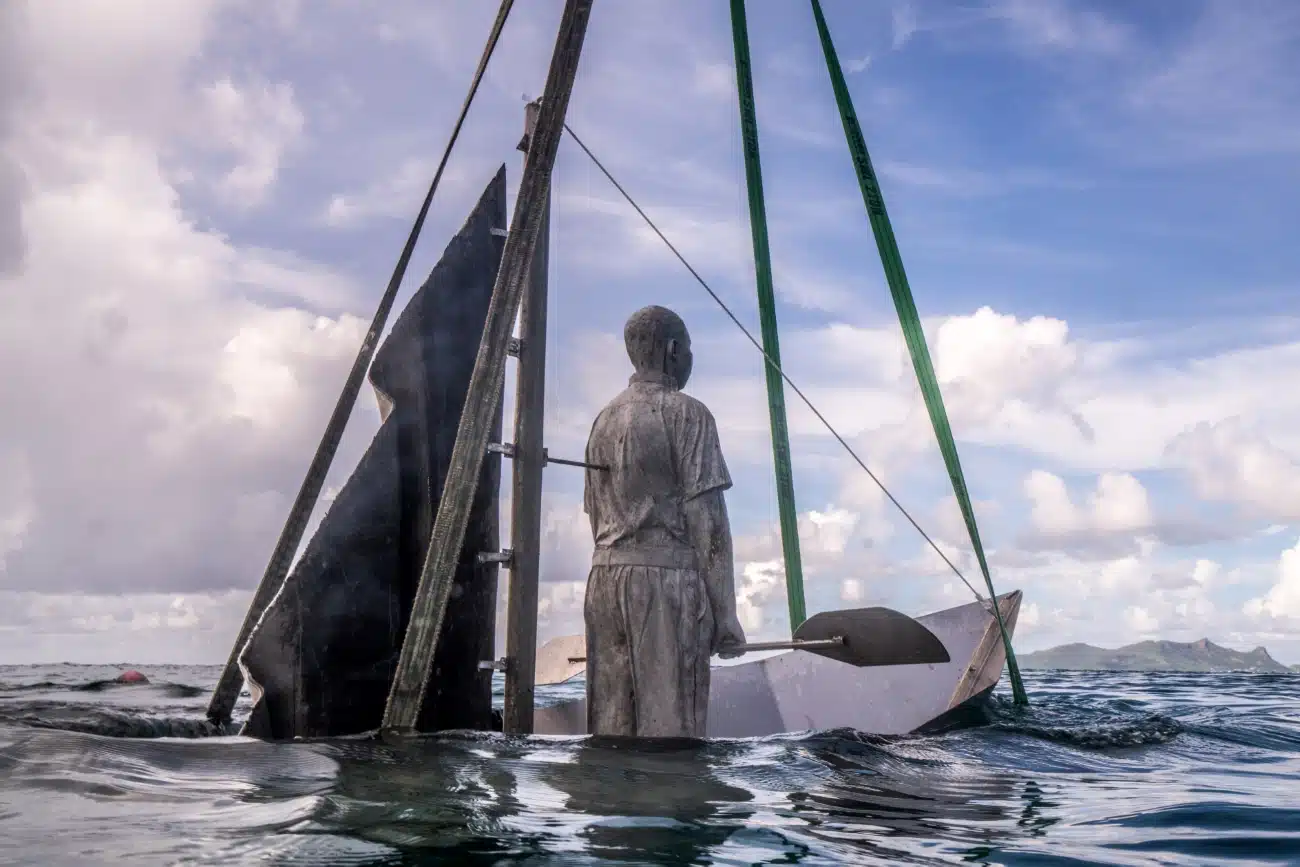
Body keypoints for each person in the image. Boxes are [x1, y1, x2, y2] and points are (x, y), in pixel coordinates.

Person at [582, 305, 747, 738]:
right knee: (672, 729)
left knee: (610, 732)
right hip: (666, 582)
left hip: (603, 582)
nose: (690, 358)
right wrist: (726, 615)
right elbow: (708, 524)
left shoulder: (603, 420)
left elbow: (596, 516)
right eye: (689, 349)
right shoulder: (689, 414)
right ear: (673, 350)